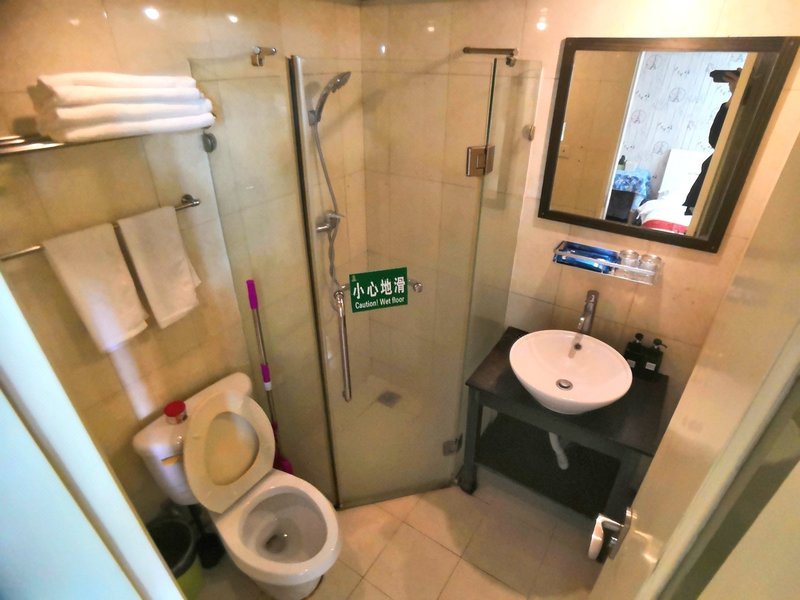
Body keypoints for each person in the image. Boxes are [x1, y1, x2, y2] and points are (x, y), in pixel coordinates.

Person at [683, 68, 741, 215]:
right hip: (708, 191)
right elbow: (715, 140)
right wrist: (735, 95)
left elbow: (716, 140)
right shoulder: (740, 106)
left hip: (717, 194)